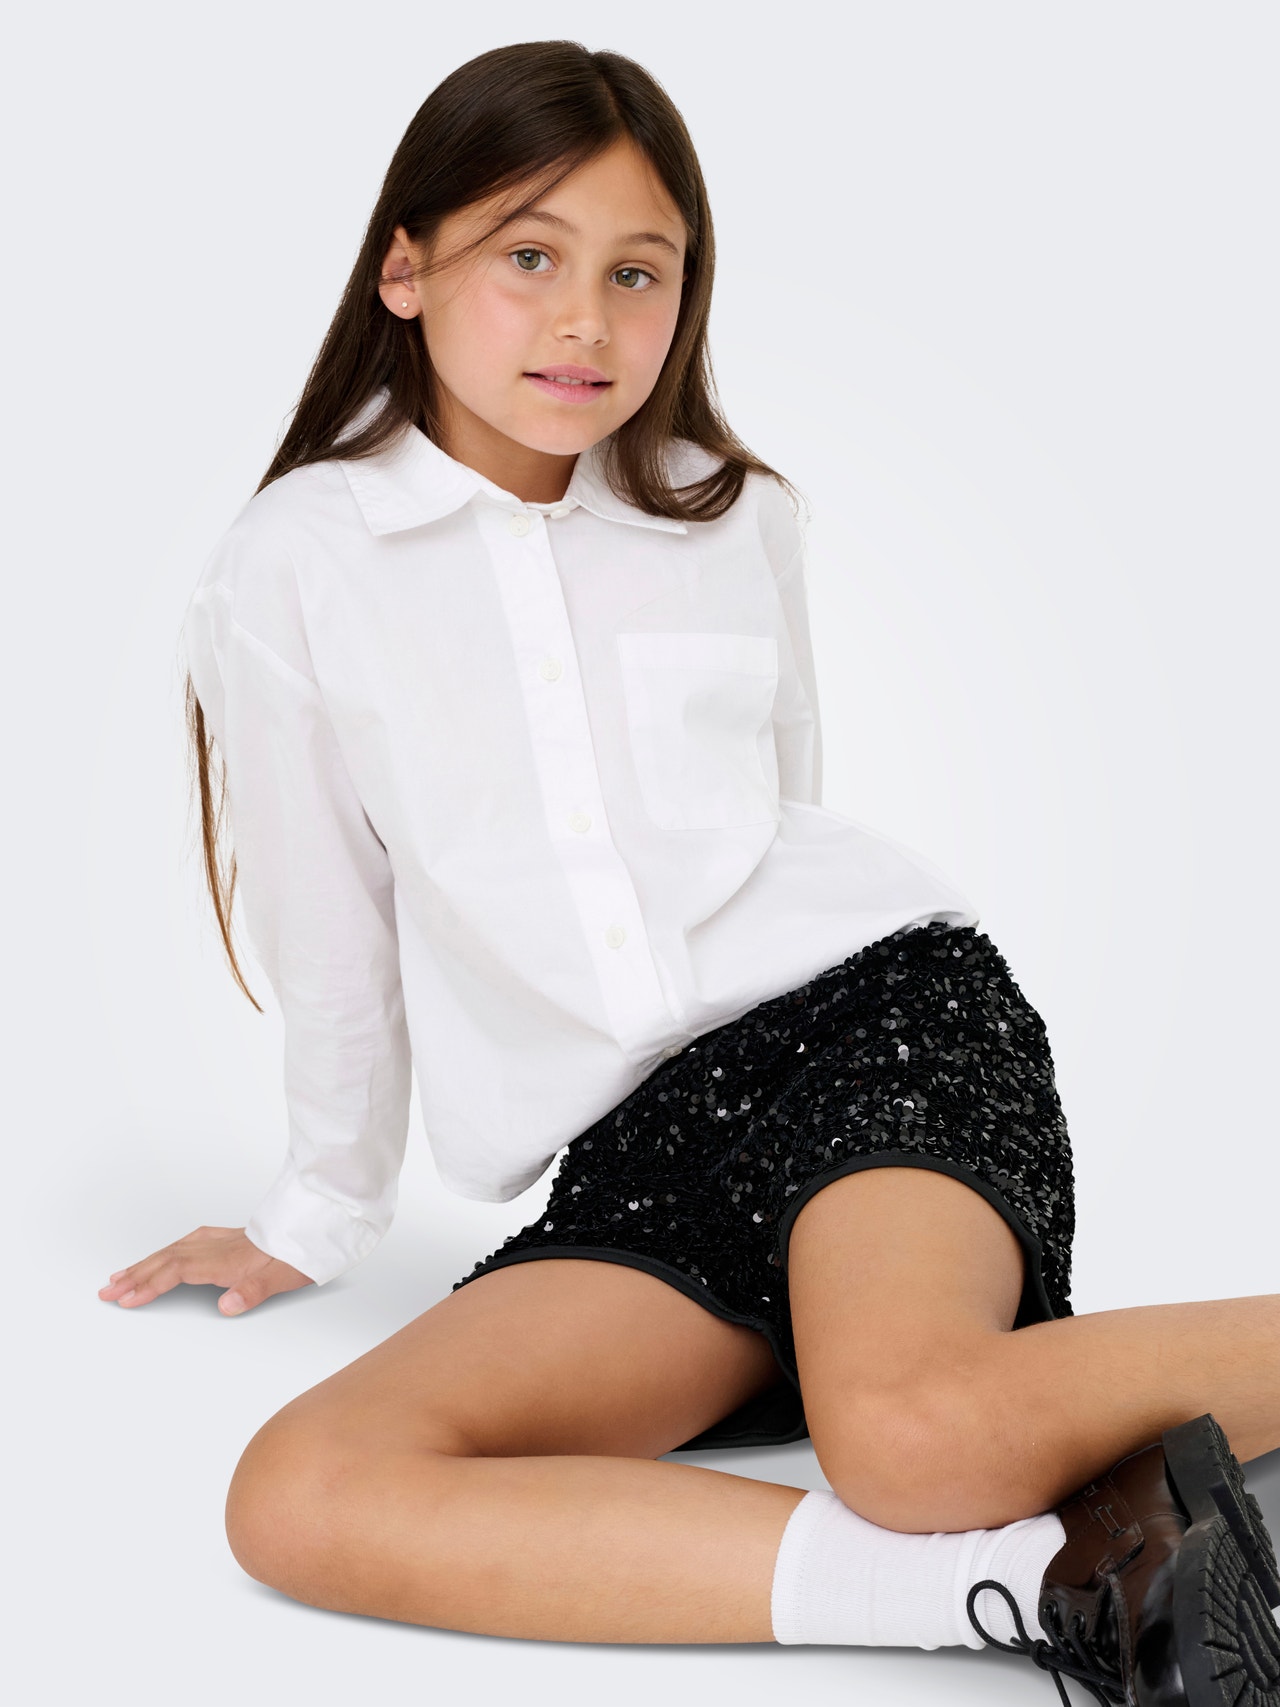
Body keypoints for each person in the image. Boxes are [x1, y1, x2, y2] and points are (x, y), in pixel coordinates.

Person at [100, 39, 1280, 1706]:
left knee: (912, 1436)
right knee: (299, 1489)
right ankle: (1050, 1587)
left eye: (636, 273)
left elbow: (787, 816)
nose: (586, 320)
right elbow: (329, 924)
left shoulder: (731, 517)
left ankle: (992, 1482)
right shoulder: (295, 562)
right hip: (642, 1157)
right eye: (530, 257)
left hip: (870, 1031)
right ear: (406, 268)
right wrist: (319, 1209)